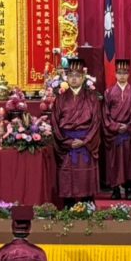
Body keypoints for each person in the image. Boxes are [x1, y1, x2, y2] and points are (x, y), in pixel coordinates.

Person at [49, 58, 102, 207]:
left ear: (83, 77)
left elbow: (96, 122)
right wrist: (66, 142)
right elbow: (55, 123)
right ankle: (69, 205)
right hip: (67, 144)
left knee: (85, 176)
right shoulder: (60, 99)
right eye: (71, 75)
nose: (74, 78)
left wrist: (85, 141)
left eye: (77, 75)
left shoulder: (92, 97)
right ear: (66, 77)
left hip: (85, 143)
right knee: (67, 175)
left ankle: (87, 205)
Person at [102, 59, 131, 200]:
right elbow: (105, 114)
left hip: (128, 133)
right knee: (114, 162)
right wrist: (116, 127)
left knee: (129, 162)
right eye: (119, 73)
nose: (122, 75)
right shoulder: (108, 92)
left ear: (129, 74)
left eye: (125, 73)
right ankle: (115, 190)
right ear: (115, 74)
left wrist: (128, 126)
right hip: (114, 134)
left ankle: (129, 190)